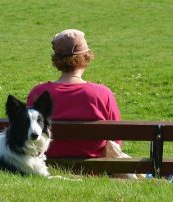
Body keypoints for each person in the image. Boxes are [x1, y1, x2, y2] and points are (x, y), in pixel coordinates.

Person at [26, 29, 122, 158]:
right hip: (95, 168)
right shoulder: (102, 94)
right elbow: (116, 137)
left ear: (56, 59)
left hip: (46, 165)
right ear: (86, 56)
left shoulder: (39, 93)